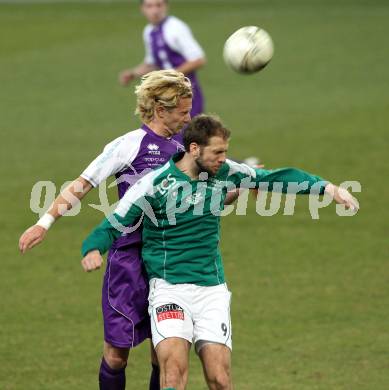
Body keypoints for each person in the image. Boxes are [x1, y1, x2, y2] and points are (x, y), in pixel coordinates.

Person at [81, 114, 359, 390]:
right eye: (218, 152)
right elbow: (112, 225)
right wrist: (93, 248)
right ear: (194, 149)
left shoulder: (226, 172)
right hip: (169, 289)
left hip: (211, 291)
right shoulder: (154, 184)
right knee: (174, 374)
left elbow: (275, 178)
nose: (223, 158)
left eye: (225, 152)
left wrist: (328, 188)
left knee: (220, 379)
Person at [19, 70, 193, 390]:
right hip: (127, 261)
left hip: (169, 263)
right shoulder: (128, 145)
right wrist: (44, 223)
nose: (188, 118)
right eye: (183, 112)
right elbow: (83, 184)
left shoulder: (185, 150)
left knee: (164, 351)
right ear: (160, 110)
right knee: (116, 354)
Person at [119, 0, 205, 126]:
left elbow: (198, 60)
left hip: (186, 96)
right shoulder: (149, 31)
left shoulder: (176, 28)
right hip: (165, 97)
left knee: (181, 140)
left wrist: (169, 76)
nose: (155, 10)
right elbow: (153, 63)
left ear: (166, 6)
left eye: (158, 5)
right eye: (150, 6)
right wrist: (133, 73)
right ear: (142, 9)